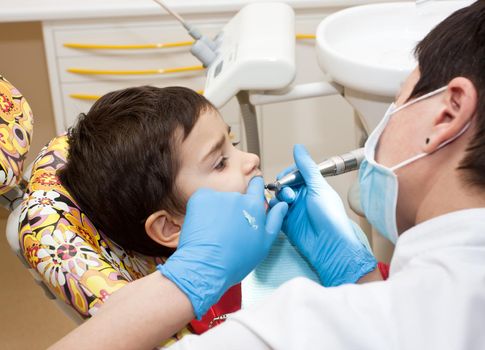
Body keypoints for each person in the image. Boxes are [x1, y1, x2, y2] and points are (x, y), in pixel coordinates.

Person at [51, 1, 485, 348]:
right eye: (220, 160)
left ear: (449, 114)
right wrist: (192, 280)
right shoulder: (201, 309)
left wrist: (360, 272)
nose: (252, 160)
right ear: (169, 225)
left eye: (233, 144)